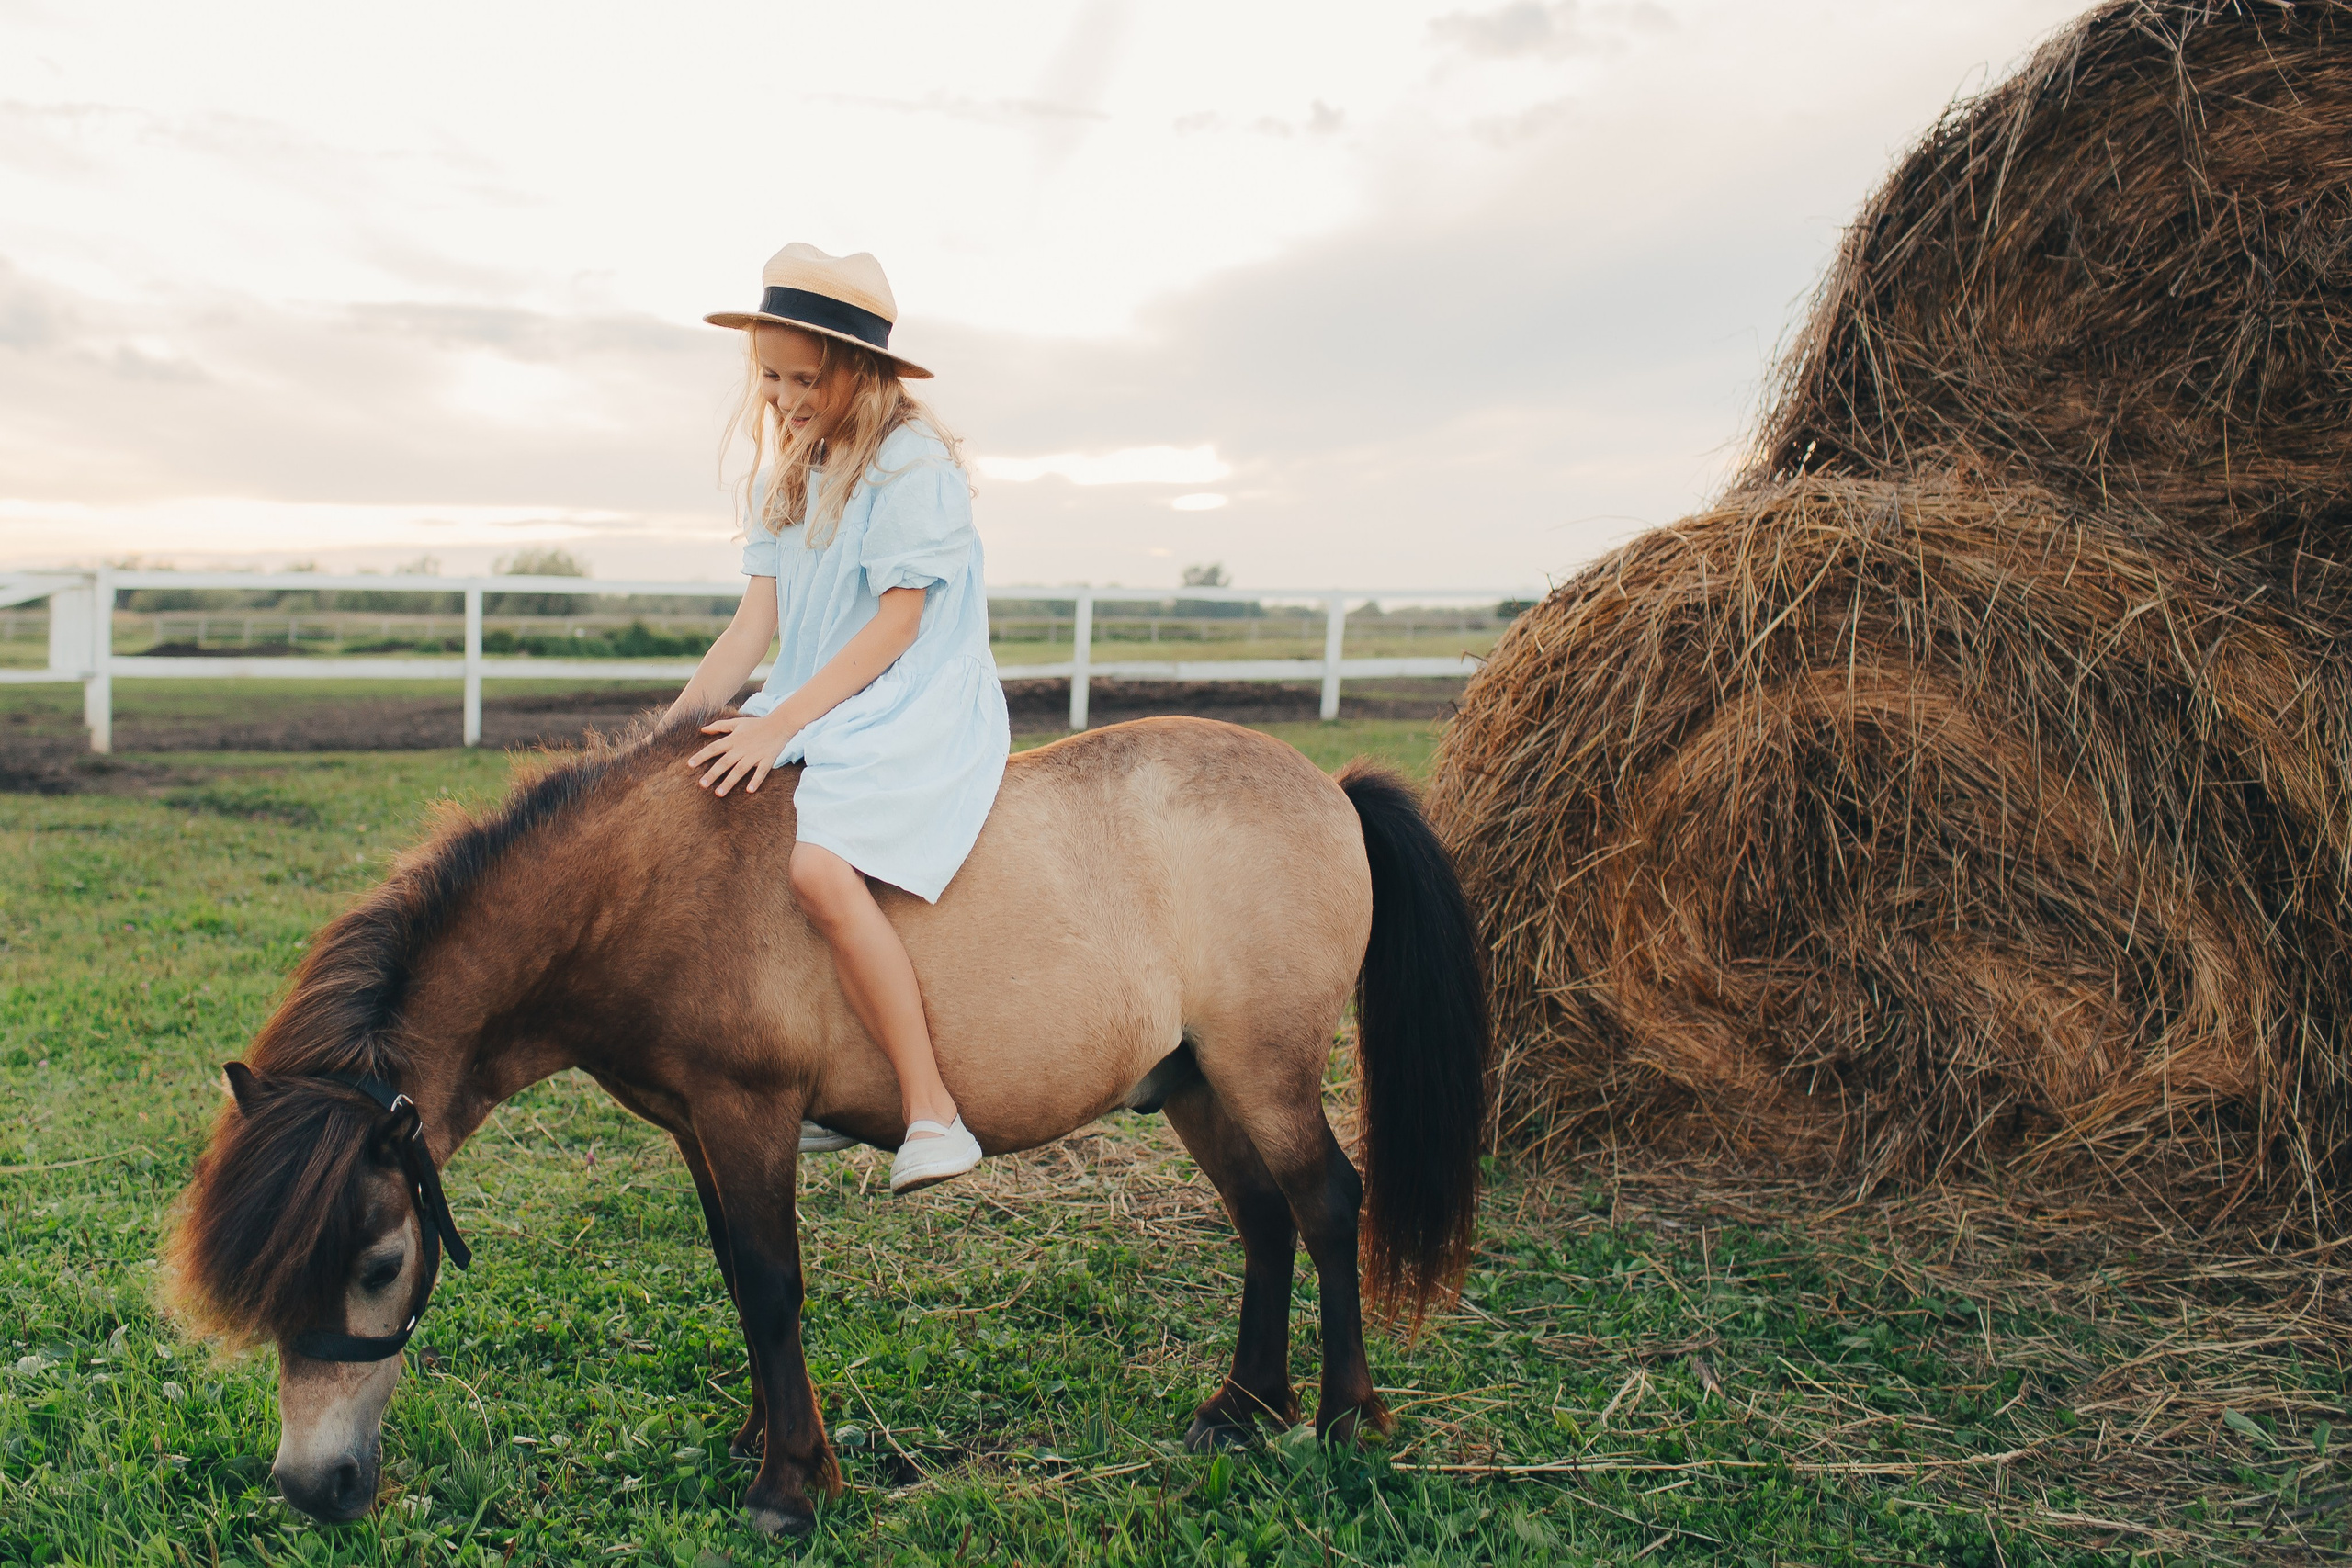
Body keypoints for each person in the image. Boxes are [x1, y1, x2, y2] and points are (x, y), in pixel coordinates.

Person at [664, 243, 1007, 1194]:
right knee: (715, 812)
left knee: (815, 862)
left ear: (860, 370)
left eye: (802, 377)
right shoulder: (791, 471)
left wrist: (779, 727)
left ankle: (931, 1108)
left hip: (908, 693)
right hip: (819, 692)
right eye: (768, 377)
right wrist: (663, 734)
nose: (781, 396)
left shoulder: (910, 466)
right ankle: (815, 1080)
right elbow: (751, 629)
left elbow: (901, 622)